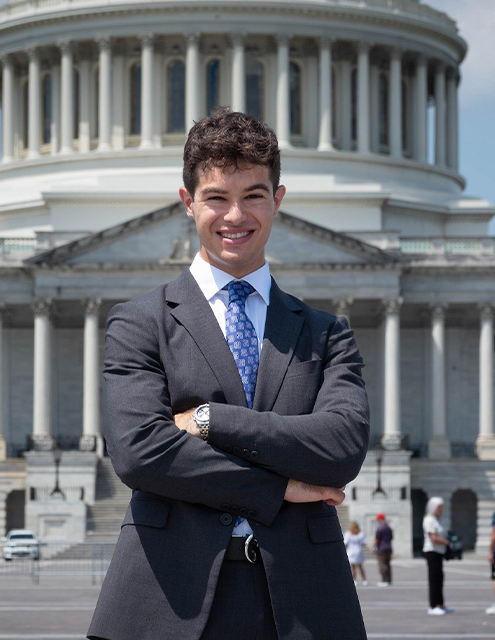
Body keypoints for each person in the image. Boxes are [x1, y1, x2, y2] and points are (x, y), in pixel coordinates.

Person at [87, 108, 370, 640]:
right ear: (188, 201)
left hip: (304, 605)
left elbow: (342, 448)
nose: (235, 215)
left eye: (254, 195)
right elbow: (139, 452)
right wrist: (279, 487)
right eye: (217, 197)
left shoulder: (326, 332)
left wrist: (209, 419)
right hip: (166, 599)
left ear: (278, 200)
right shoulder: (139, 321)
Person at [422, 497, 453, 616]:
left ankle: (441, 604)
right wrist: (447, 542)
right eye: (439, 507)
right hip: (432, 551)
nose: (441, 509)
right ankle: (433, 605)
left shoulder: (437, 520)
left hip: (439, 552)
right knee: (434, 579)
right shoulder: (429, 520)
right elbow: (433, 538)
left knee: (440, 578)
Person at [344, 521, 368, 586]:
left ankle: (354, 580)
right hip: (358, 551)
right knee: (360, 567)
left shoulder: (348, 533)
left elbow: (345, 543)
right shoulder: (360, 533)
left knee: (353, 567)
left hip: (351, 551)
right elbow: (363, 543)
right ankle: (364, 580)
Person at [373, 513, 393, 587]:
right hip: (389, 547)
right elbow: (391, 537)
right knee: (388, 564)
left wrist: (373, 547)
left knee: (382, 565)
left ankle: (384, 580)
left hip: (381, 548)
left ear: (380, 519)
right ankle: (389, 579)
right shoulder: (388, 527)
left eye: (378, 519)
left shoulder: (380, 528)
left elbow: (377, 539)